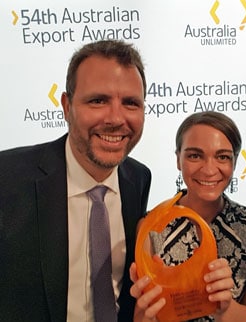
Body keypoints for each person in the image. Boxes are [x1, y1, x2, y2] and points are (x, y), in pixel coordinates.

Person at [0, 40, 151, 322]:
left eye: (131, 103)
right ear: (67, 106)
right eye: (98, 100)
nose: (116, 118)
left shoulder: (138, 179)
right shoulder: (7, 179)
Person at [130, 111, 246, 322]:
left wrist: (226, 308)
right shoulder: (152, 226)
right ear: (178, 159)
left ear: (235, 161)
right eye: (195, 155)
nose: (209, 169)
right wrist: (145, 314)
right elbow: (145, 315)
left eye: (222, 157)